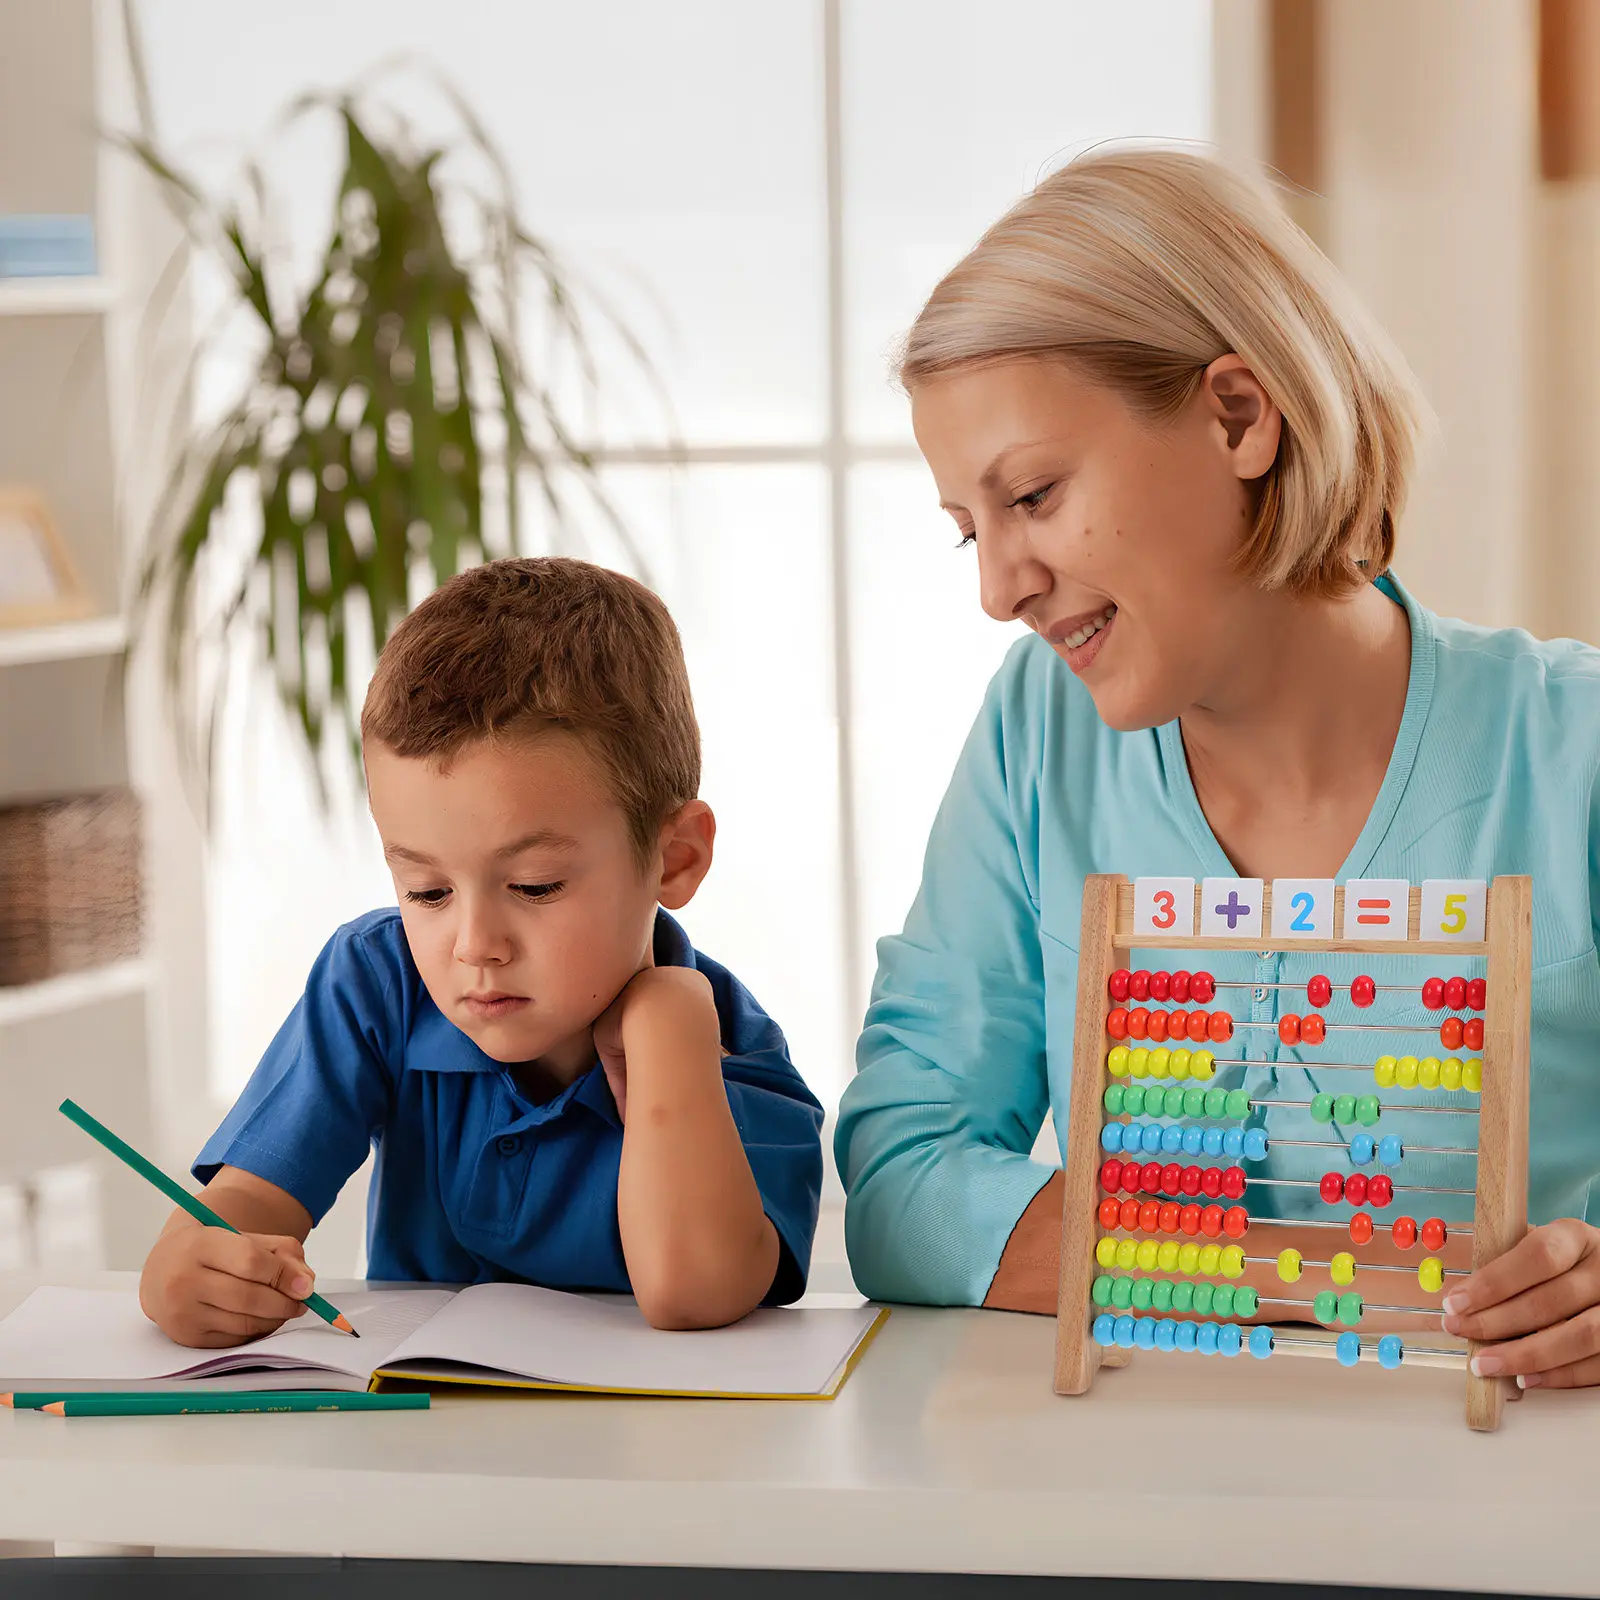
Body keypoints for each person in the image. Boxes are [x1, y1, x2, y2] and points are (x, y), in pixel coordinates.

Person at [836, 147, 1600, 1390]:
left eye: (1032, 493)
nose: (997, 588)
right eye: (969, 529)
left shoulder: (1573, 748)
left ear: (1237, 416)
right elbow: (904, 1177)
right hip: (1152, 1513)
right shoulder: (1038, 732)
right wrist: (1304, 1274)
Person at [141, 558, 824, 1346]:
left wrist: (670, 1037)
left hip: (648, 1464)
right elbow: (240, 1209)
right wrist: (190, 1268)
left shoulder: (732, 1048)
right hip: (423, 1453)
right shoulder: (378, 982)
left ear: (673, 860)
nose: (474, 946)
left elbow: (690, 1293)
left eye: (534, 887)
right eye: (427, 892)